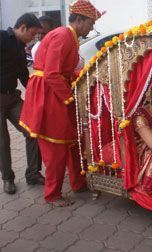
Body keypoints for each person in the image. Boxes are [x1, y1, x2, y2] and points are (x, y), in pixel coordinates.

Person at [19, 0, 103, 207]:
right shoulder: (63, 36)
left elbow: (63, 71)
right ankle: (53, 195)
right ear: (80, 20)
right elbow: (52, 74)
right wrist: (70, 97)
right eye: (91, 23)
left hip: (56, 91)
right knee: (55, 146)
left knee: (73, 141)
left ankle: (78, 183)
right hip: (49, 95)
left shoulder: (71, 37)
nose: (92, 28)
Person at [0, 13, 44, 194]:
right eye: (32, 34)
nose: (33, 38)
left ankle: (33, 173)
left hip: (12, 99)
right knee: (3, 142)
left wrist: (38, 94)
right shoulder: (1, 37)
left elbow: (23, 76)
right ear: (23, 27)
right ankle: (8, 179)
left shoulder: (20, 47)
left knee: (32, 130)